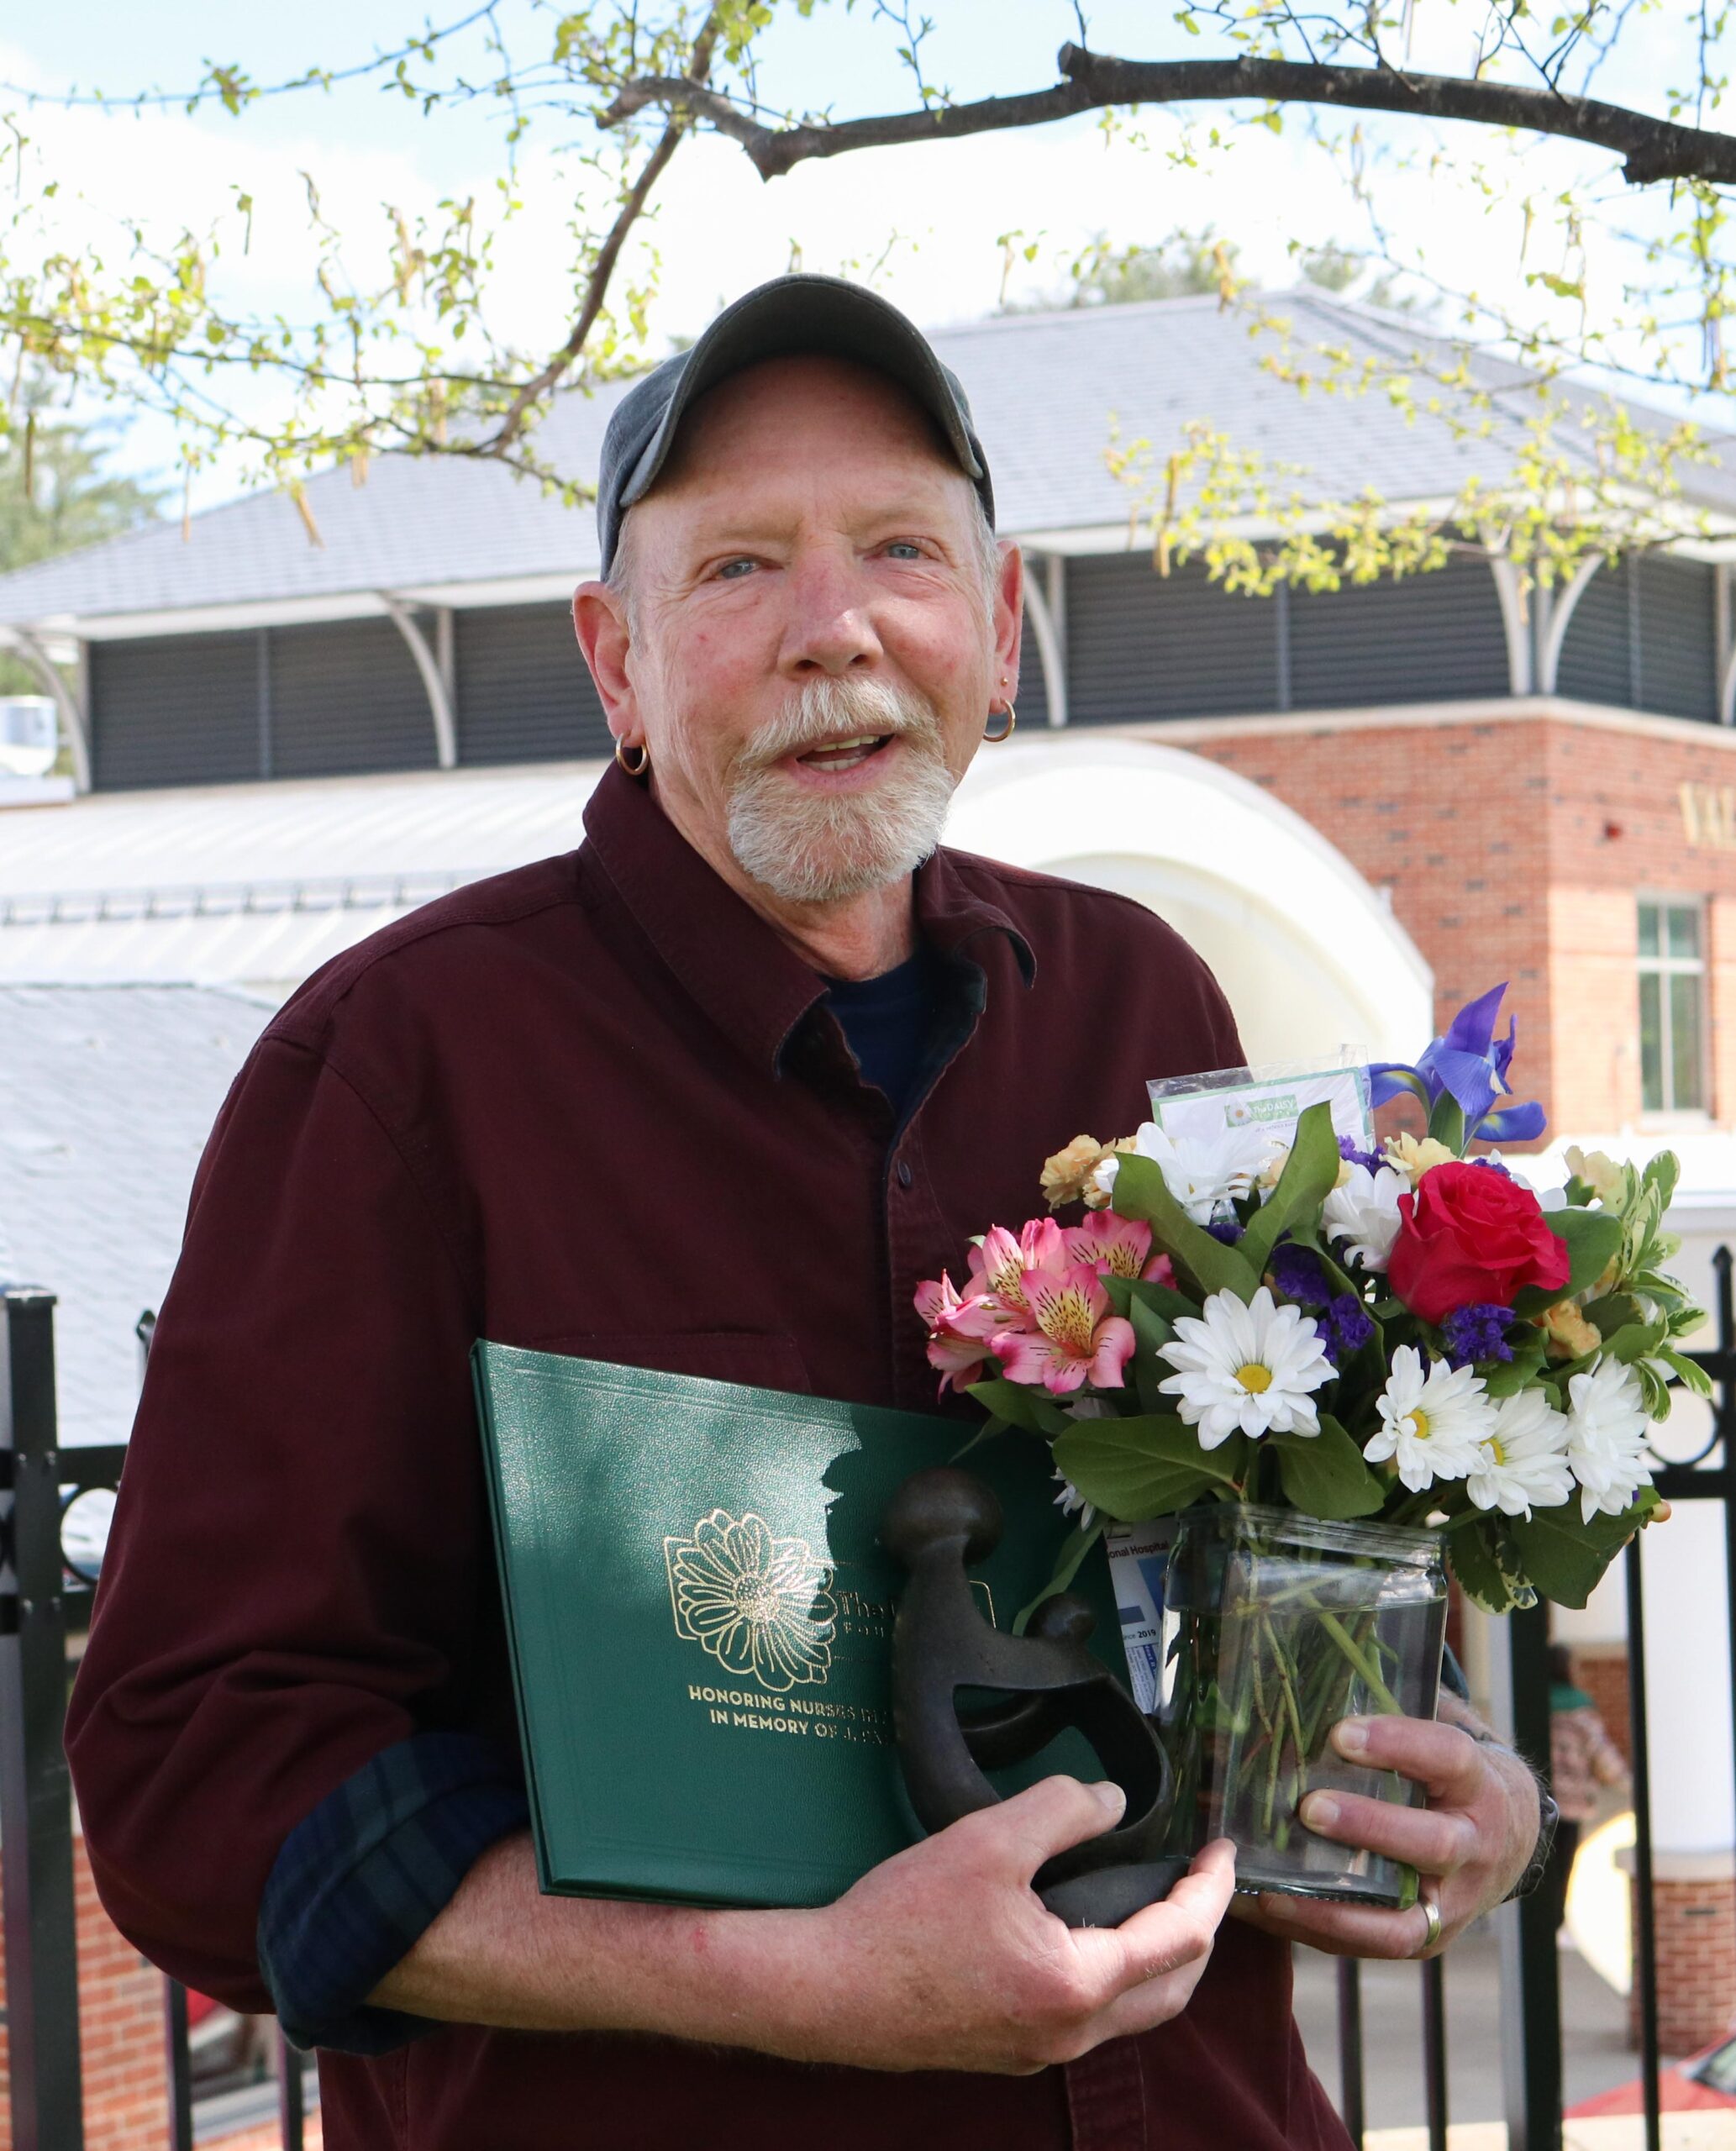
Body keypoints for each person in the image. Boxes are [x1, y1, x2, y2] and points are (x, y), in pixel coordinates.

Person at [66, 275, 1544, 2151]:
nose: (831, 629)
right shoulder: (399, 1066)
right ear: (616, 662)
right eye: (739, 567)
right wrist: (775, 1977)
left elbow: (1252, 1575)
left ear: (998, 628)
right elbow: (198, 1773)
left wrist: (1435, 1783)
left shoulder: (1143, 1001)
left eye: (899, 549)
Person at [1545, 1642, 1629, 1937]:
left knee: (1541, 1863)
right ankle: (1556, 1923)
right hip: (1572, 1800)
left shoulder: (1534, 1703)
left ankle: (1540, 1920)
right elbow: (1600, 1752)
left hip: (1539, 1798)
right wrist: (1627, 1783)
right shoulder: (1580, 1707)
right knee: (1564, 1864)